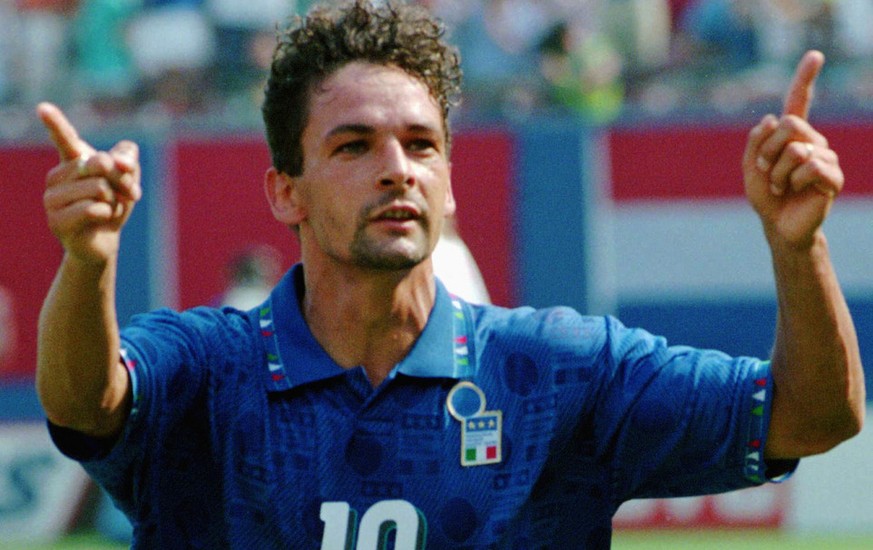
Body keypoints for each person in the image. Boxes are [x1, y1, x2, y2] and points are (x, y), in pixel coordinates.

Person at [35, 1, 864, 548]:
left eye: (422, 144)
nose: (398, 170)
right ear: (284, 191)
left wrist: (799, 250)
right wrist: (87, 262)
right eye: (354, 145)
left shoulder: (560, 370)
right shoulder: (208, 368)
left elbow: (809, 419)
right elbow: (85, 404)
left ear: (450, 179)